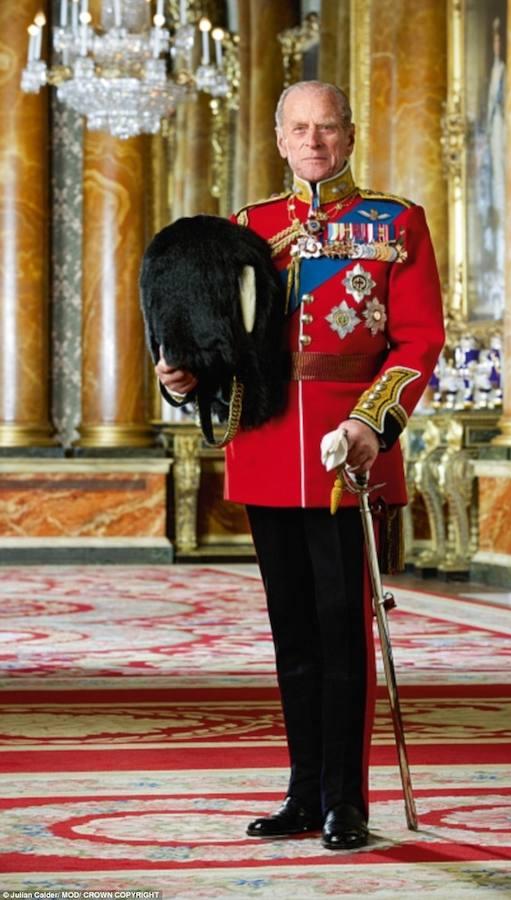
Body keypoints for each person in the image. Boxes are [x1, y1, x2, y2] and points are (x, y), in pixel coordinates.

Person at [156, 80, 445, 850]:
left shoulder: (396, 223)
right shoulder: (249, 227)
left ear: (348, 136)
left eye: (327, 128)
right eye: (298, 128)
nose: (313, 141)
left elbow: (418, 342)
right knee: (292, 634)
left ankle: (344, 801)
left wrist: (367, 423)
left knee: (341, 630)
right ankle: (301, 792)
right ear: (280, 139)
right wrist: (189, 376)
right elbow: (230, 342)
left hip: (345, 453)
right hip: (265, 444)